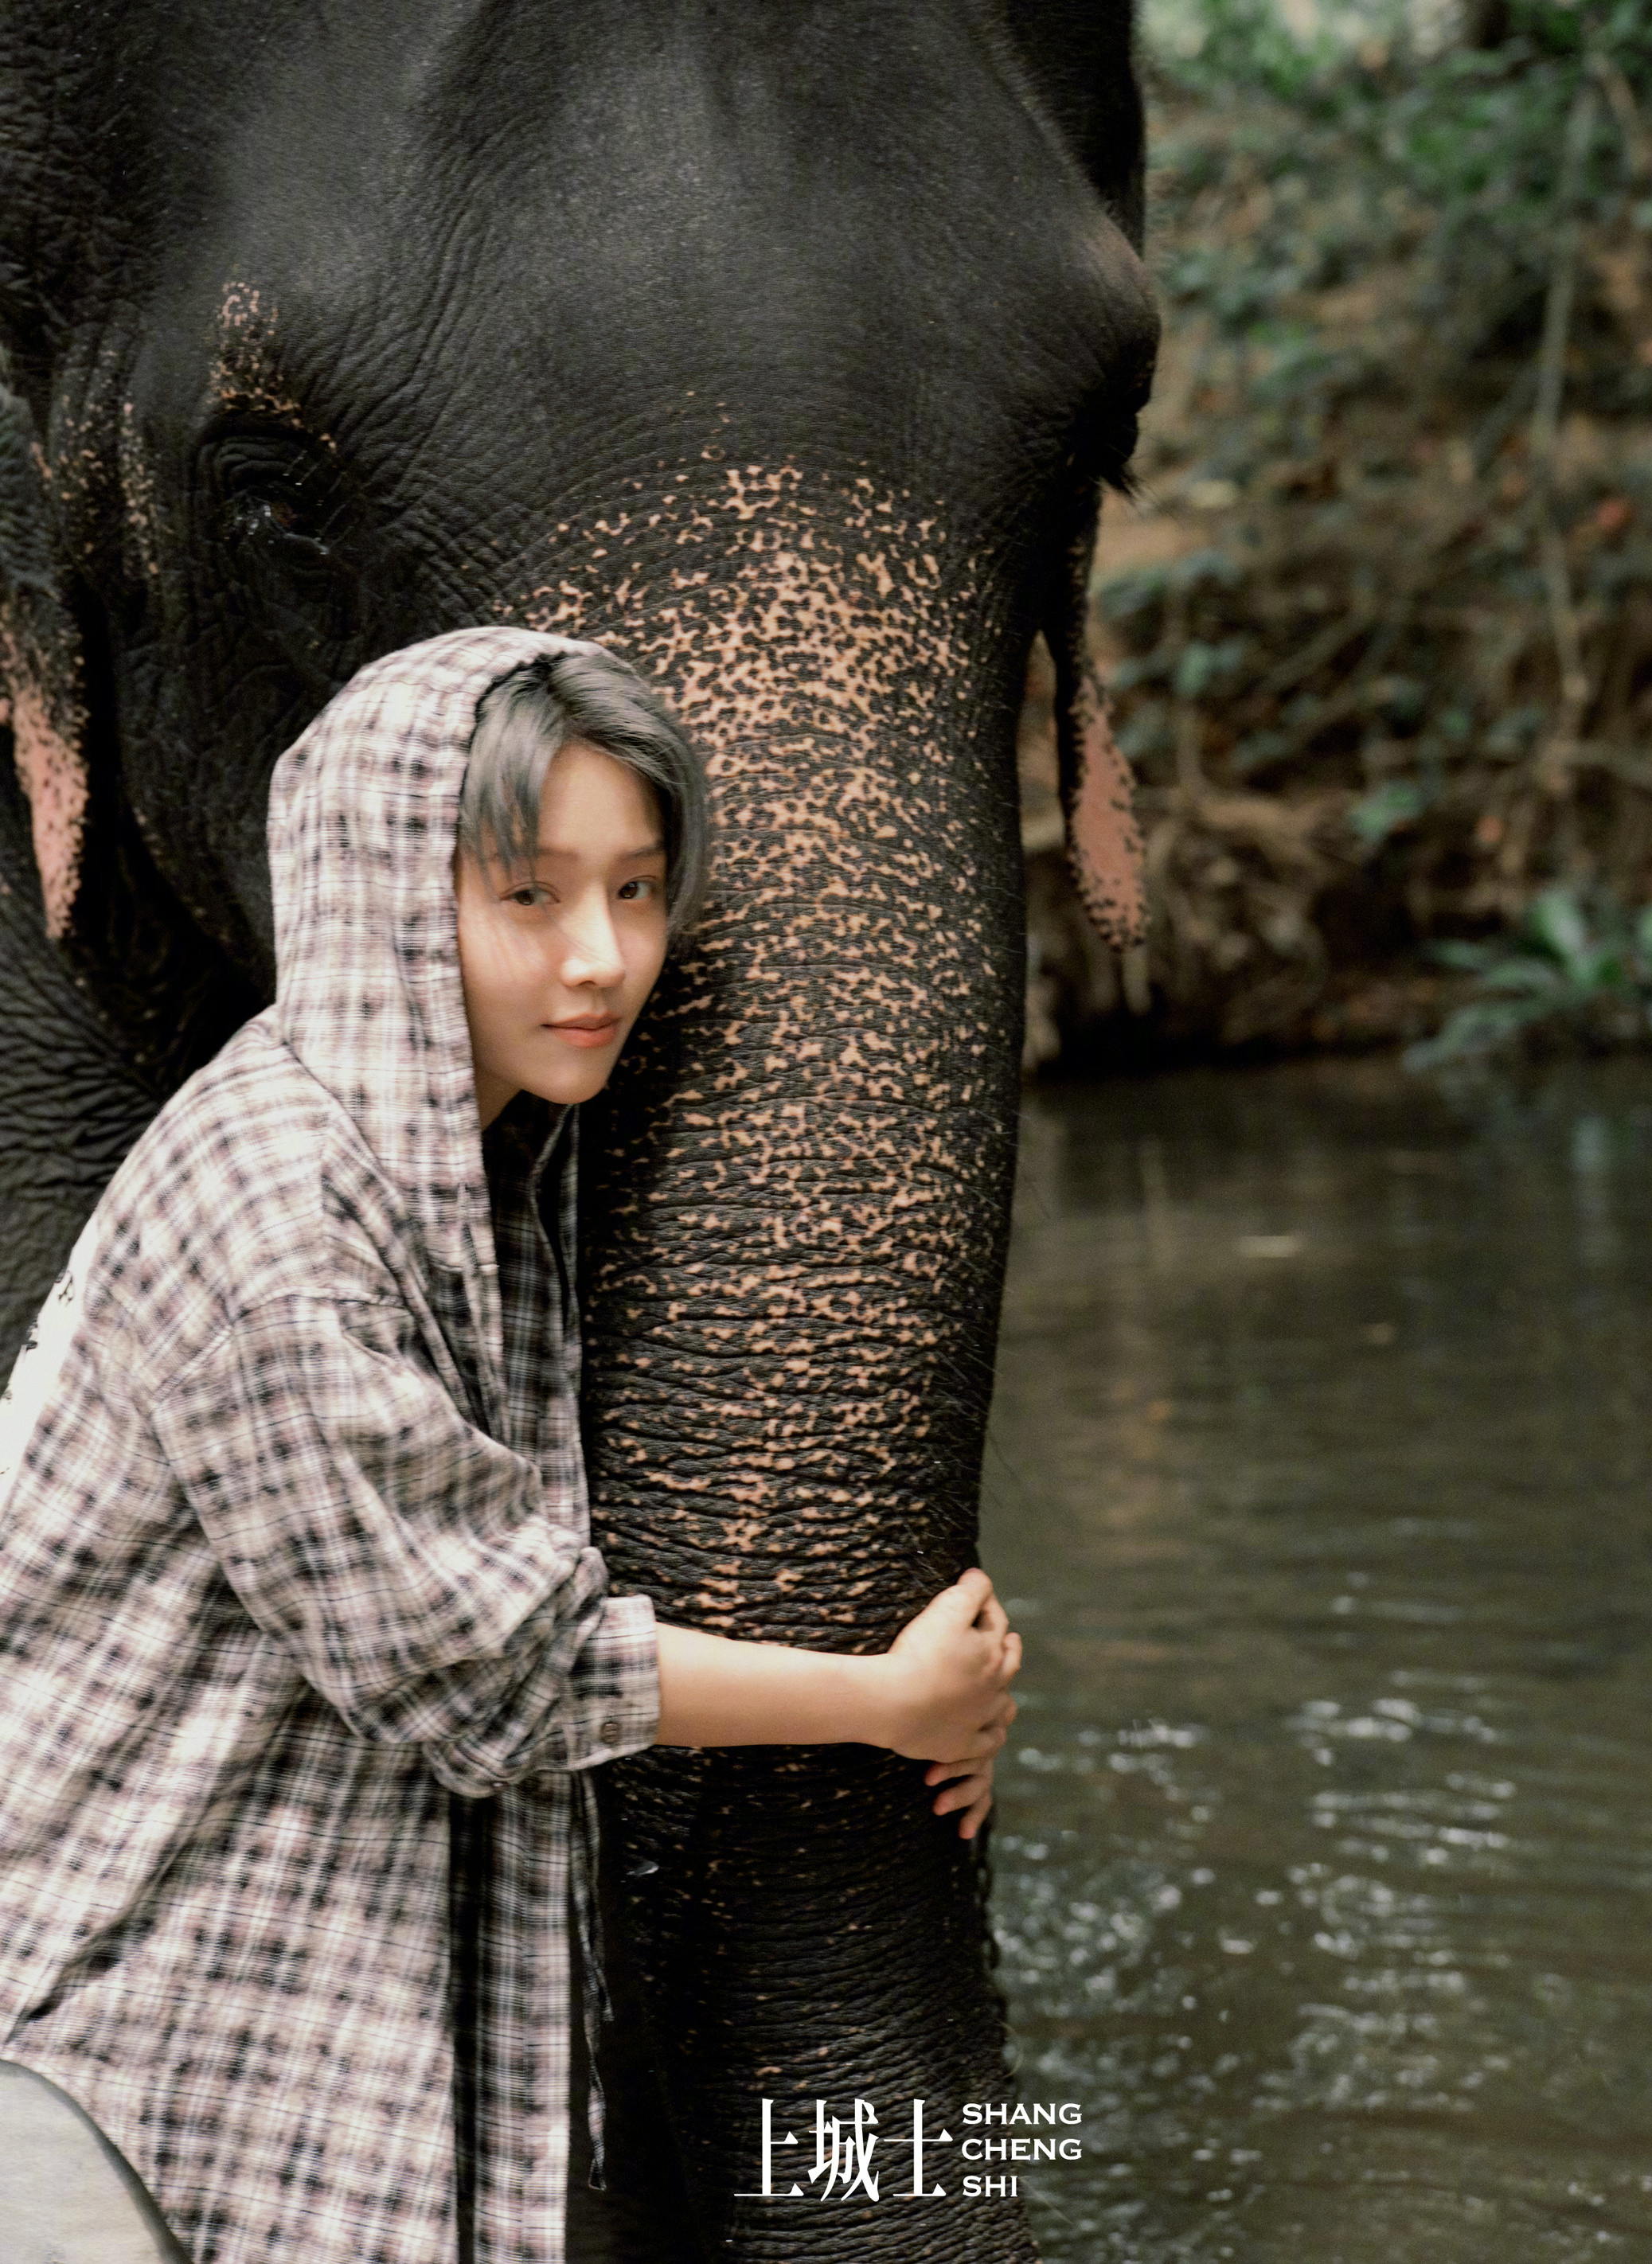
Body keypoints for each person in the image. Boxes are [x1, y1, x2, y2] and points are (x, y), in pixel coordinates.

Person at [0, 626, 1021, 2264]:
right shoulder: (275, 1212)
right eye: (530, 895)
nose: (603, 957)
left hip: (253, 1999)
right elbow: (492, 1664)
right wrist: (886, 1701)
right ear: (390, 901)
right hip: (96, 2045)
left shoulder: (472, 1168)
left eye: (637, 889)